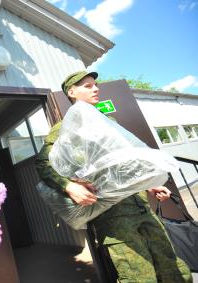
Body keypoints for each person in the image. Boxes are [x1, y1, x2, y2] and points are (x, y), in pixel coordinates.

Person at [35, 70, 192, 282]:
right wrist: (68, 186)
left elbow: (122, 165)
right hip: (112, 217)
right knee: (139, 277)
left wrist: (149, 185)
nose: (96, 88)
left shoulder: (108, 121)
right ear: (71, 92)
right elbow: (44, 163)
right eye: (87, 86)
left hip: (141, 207)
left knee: (173, 268)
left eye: (95, 85)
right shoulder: (64, 128)